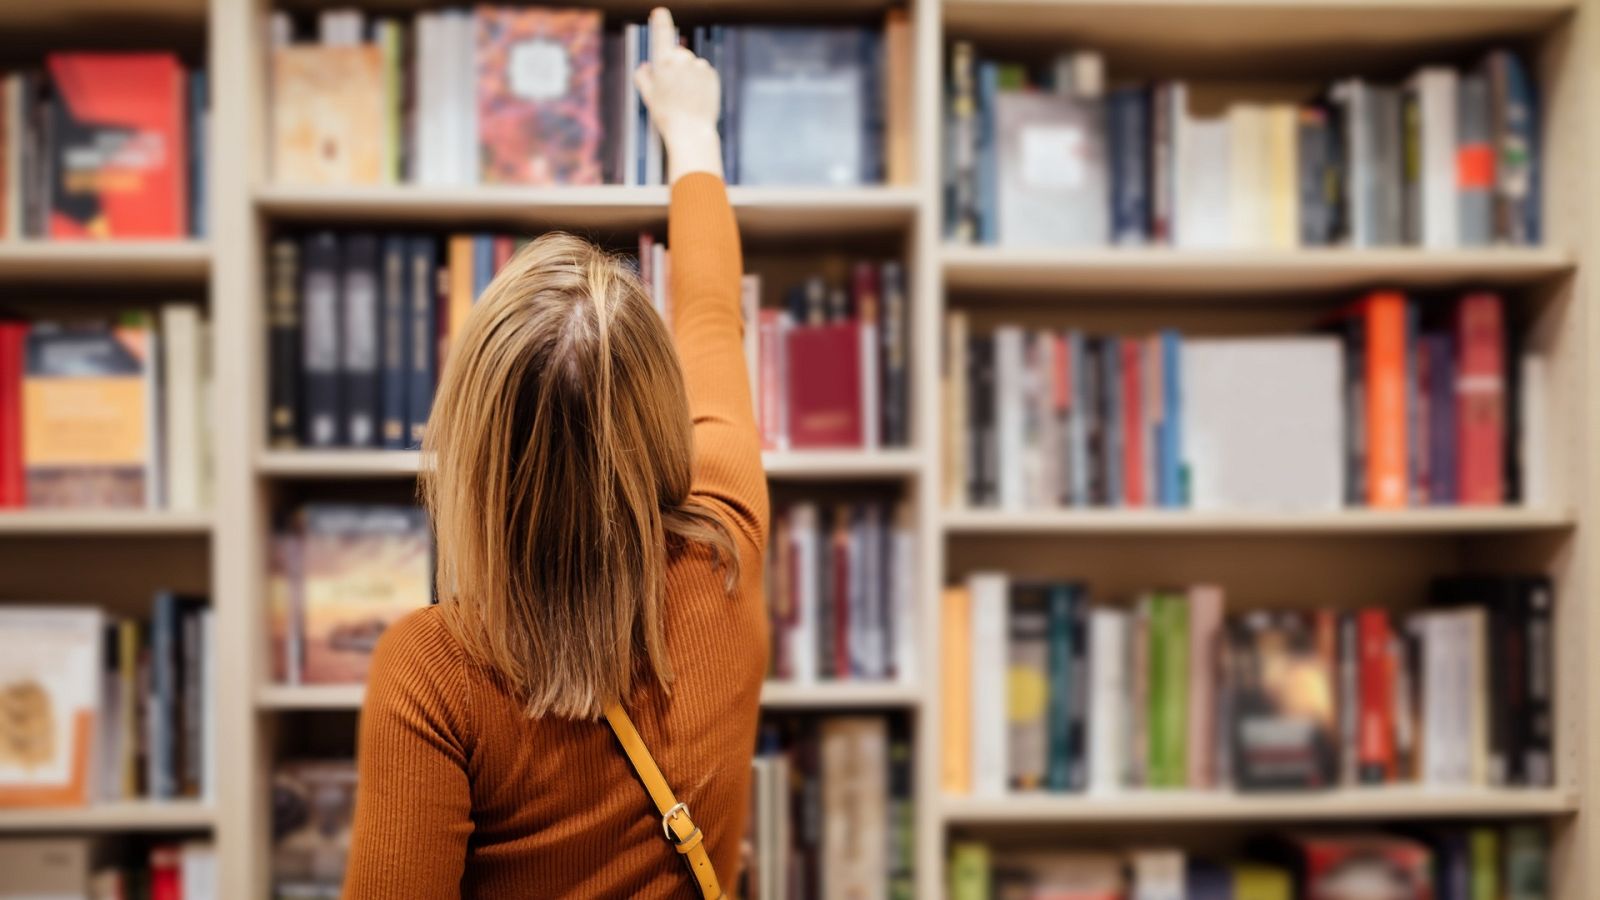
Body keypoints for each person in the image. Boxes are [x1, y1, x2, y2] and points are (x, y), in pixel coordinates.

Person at [342, 9, 767, 896]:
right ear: (659, 414)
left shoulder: (433, 675)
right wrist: (692, 132)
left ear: (471, 445)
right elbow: (711, 317)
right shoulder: (729, 540)